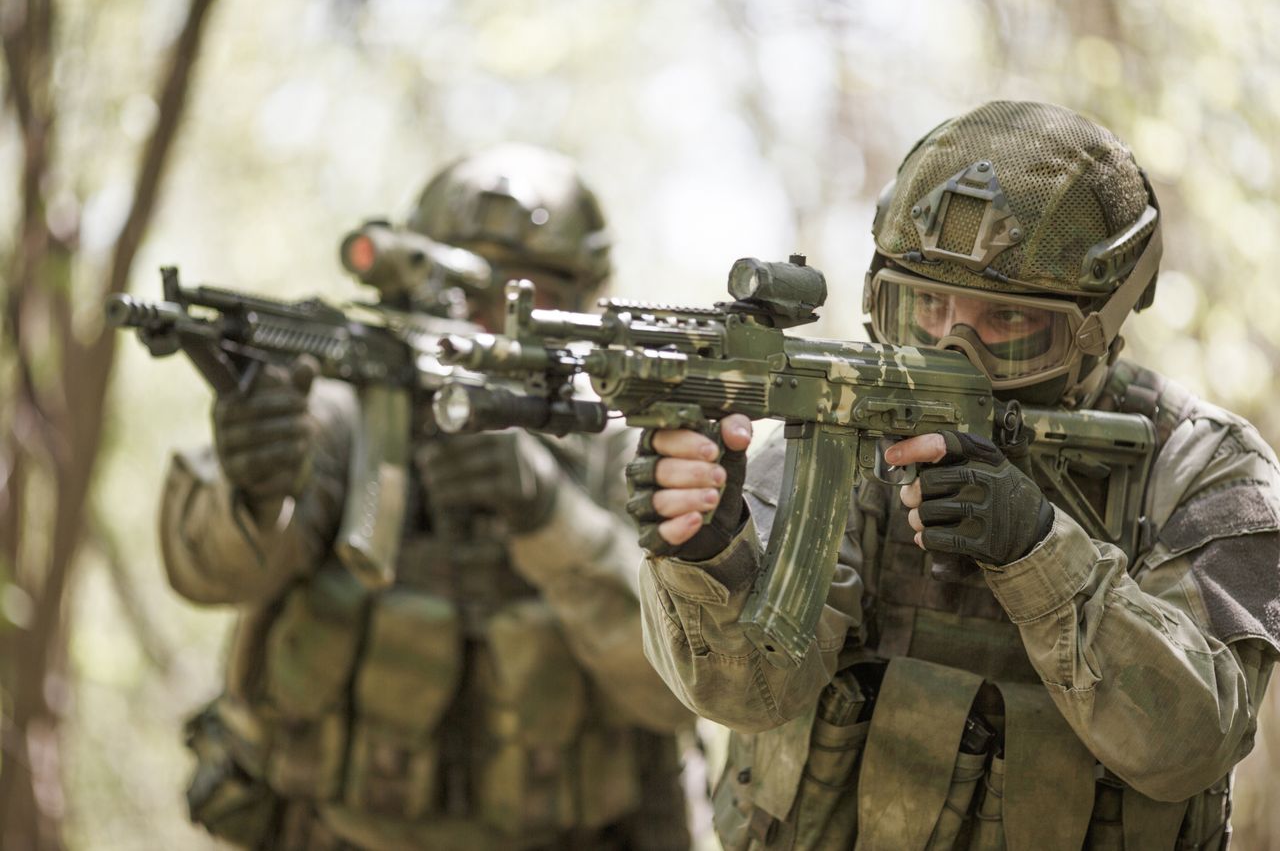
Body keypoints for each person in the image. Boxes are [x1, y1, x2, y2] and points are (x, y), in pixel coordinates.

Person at [630, 102, 1279, 849]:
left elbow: (1189, 742)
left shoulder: (1208, 469)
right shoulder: (842, 429)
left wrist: (1037, 550)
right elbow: (747, 689)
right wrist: (711, 554)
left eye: (1006, 325)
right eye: (924, 305)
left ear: (1098, 329)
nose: (950, 347)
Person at [162, 144, 693, 850]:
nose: (484, 320)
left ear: (588, 299)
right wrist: (256, 486)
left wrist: (545, 514)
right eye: (456, 286)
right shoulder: (342, 411)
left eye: (529, 293)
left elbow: (693, 676)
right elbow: (205, 569)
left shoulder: (625, 443)